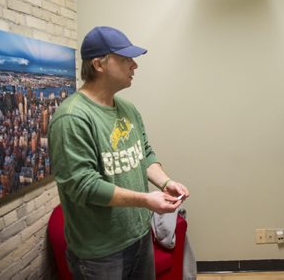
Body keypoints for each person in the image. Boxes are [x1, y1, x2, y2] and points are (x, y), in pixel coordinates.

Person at [48, 26, 190, 280]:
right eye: (125, 59)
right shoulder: (72, 117)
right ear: (98, 65)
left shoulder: (127, 108)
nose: (134, 65)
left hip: (139, 236)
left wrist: (166, 183)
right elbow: (84, 186)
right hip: (100, 253)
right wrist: (147, 200)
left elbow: (144, 155)